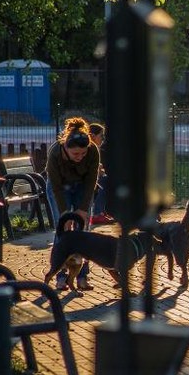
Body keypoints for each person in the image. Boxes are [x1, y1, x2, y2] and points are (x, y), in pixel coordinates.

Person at [45, 117, 101, 290]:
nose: (80, 157)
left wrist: (83, 209)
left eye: (83, 153)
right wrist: (64, 214)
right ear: (66, 148)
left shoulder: (92, 151)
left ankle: (82, 276)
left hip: (83, 188)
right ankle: (60, 275)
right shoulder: (55, 153)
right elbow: (56, 188)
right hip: (59, 188)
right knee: (63, 230)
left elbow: (91, 181)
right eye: (76, 154)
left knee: (83, 231)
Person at [88, 123, 114, 225]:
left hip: (91, 177)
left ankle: (101, 212)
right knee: (105, 181)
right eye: (101, 136)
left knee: (106, 179)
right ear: (93, 136)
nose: (102, 139)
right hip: (84, 179)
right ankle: (97, 214)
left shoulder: (96, 147)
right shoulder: (89, 146)